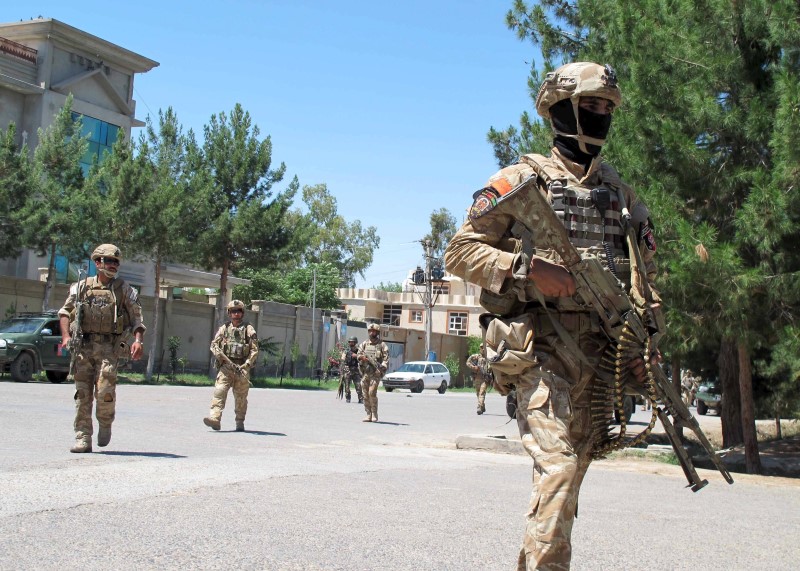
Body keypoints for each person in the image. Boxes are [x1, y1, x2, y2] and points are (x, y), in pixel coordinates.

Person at [444, 62, 659, 570]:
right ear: (562, 108)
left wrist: (643, 349)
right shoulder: (521, 181)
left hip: (600, 360)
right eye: (592, 106)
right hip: (540, 354)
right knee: (559, 472)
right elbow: (458, 251)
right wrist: (525, 271)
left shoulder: (623, 197)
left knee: (565, 485)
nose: (602, 116)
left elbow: (646, 284)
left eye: (608, 108)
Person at [58, 243, 146, 453]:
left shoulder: (124, 289)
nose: (113, 265)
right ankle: (83, 437)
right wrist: (66, 336)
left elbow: (137, 318)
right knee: (82, 394)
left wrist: (138, 340)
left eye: (116, 262)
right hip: (84, 347)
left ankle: (105, 423)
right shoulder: (81, 286)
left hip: (109, 348)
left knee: (105, 392)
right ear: (97, 262)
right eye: (109, 261)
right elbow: (64, 312)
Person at [203, 300, 259, 432]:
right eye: (233, 311)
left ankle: (240, 422)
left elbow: (254, 349)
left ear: (242, 313)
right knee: (219, 391)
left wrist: (247, 364)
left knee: (241, 398)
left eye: (239, 311)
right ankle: (215, 419)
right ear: (229, 313)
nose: (236, 314)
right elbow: (214, 345)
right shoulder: (224, 328)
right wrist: (220, 356)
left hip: (242, 368)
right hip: (227, 367)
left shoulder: (248, 329)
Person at [357, 323, 388, 422]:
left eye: (374, 331)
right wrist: (362, 358)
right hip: (366, 372)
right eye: (370, 331)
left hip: (375, 373)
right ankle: (368, 414)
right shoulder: (364, 344)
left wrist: (382, 368)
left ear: (377, 332)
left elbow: (386, 358)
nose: (371, 332)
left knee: (372, 392)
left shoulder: (381, 345)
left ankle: (374, 413)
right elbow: (358, 354)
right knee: (365, 394)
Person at [466, 343, 491, 414]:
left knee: (482, 393)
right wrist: (473, 367)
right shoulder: (476, 356)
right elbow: (467, 362)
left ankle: (479, 407)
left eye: (484, 347)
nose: (483, 349)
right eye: (481, 347)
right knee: (478, 393)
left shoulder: (489, 357)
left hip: (485, 379)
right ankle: (482, 406)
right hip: (477, 378)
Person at [339, 336, 363, 403]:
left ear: (355, 342)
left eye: (353, 342)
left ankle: (361, 398)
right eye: (350, 342)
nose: (351, 343)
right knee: (347, 386)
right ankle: (348, 398)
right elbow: (342, 359)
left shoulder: (358, 351)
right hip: (347, 370)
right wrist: (341, 371)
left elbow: (362, 360)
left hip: (355, 370)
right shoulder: (346, 351)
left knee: (358, 386)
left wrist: (357, 356)